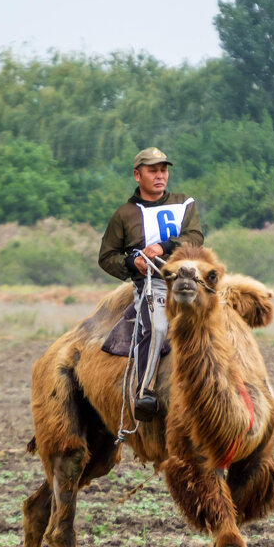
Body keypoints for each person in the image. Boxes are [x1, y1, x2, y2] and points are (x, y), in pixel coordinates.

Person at [98, 147, 203, 421]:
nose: (160, 176)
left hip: (191, 280)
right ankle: (144, 391)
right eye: (152, 170)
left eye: (163, 170)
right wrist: (134, 264)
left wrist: (165, 246)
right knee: (157, 327)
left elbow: (195, 237)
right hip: (153, 285)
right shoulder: (124, 215)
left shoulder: (184, 203)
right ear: (137, 175)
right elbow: (107, 257)